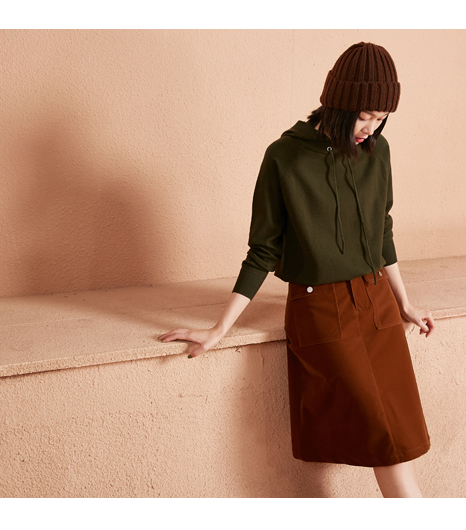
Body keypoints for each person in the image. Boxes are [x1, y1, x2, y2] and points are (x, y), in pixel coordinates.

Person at [160, 42, 435, 498]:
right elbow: (263, 250)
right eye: (365, 115)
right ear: (339, 103)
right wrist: (219, 328)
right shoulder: (285, 157)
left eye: (382, 117)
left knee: (399, 441)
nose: (372, 127)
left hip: (378, 305)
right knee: (386, 442)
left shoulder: (378, 151)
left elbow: (382, 229)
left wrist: (403, 301)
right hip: (323, 309)